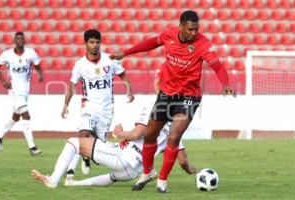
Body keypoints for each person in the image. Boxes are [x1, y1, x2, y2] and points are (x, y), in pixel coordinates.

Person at [110, 10, 235, 193]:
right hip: (167, 93)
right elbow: (152, 42)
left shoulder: (203, 43)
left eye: (196, 29)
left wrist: (225, 83)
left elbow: (217, 66)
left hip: (189, 97)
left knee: (174, 137)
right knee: (150, 134)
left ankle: (162, 180)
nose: (194, 33)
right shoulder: (169, 34)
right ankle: (147, 173)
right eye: (191, 29)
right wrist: (127, 52)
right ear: (181, 26)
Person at [31, 106, 197, 188]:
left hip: (124, 157)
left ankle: (53, 180)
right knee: (111, 178)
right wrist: (192, 170)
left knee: (73, 142)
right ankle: (74, 183)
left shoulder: (153, 111)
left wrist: (119, 132)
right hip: (135, 172)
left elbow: (137, 134)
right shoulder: (176, 129)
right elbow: (182, 160)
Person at [60, 29, 134, 178]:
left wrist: (129, 90)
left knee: (96, 146)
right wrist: (66, 105)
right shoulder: (80, 65)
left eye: (97, 42)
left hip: (107, 110)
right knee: (83, 134)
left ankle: (87, 158)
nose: (94, 45)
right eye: (91, 42)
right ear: (86, 43)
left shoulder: (110, 60)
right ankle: (70, 172)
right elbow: (71, 85)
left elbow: (123, 75)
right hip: (89, 106)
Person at [0, 32, 43, 156]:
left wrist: (40, 74)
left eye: (22, 38)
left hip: (25, 90)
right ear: (15, 41)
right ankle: (32, 147)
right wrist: (3, 81)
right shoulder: (7, 54)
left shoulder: (30, 53)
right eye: (18, 38)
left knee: (16, 116)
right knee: (26, 116)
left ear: (24, 40)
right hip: (13, 89)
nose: (20, 40)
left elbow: (37, 65)